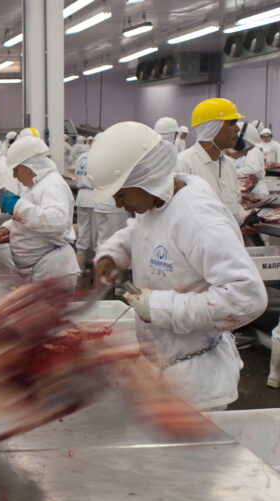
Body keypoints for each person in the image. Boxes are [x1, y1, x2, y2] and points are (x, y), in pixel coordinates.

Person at [90, 121, 267, 410]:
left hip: (197, 384)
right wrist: (112, 254)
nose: (118, 204)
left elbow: (248, 297)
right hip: (160, 370)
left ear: (147, 178)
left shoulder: (200, 221)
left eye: (122, 194)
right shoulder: (157, 202)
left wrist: (159, 307)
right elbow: (139, 232)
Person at [0, 136, 79, 288]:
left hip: (53, 270)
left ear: (30, 165)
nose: (14, 175)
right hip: (39, 269)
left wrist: (16, 206)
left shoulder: (53, 185)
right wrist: (10, 228)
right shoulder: (35, 185)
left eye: (16, 169)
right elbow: (35, 217)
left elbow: (56, 222)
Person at [177, 98, 253, 236]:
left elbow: (233, 205)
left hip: (228, 243)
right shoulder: (183, 163)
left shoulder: (228, 164)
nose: (237, 129)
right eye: (232, 123)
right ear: (212, 127)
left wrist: (245, 219)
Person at [73, 145, 96, 282]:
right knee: (97, 237)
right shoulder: (98, 157)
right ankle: (95, 273)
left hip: (81, 196)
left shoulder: (82, 157)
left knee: (82, 233)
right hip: (94, 197)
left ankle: (79, 270)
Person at [232, 122, 269, 199]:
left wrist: (232, 171)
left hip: (254, 190)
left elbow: (253, 169)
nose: (245, 154)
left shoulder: (253, 150)